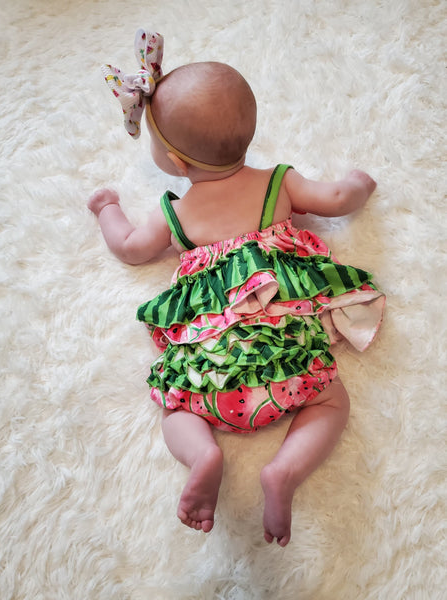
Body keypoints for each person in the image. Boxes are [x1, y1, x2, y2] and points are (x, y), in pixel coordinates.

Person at [88, 29, 385, 547]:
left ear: (177, 164)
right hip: (285, 363)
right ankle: (284, 471)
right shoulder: (277, 182)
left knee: (175, 406)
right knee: (331, 401)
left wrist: (107, 209)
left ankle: (203, 454)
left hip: (212, 375)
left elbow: (131, 248)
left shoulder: (178, 213)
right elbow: (336, 197)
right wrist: (359, 182)